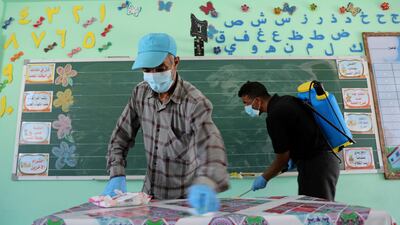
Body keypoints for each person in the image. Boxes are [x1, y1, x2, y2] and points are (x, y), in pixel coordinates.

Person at [102, 33, 229, 214]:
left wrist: (208, 182)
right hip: (149, 197)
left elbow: (211, 146)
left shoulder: (194, 102)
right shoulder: (140, 94)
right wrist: (116, 173)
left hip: (185, 199)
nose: (153, 76)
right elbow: (120, 137)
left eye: (160, 68)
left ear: (176, 62)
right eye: (147, 69)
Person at [238, 81, 340, 201]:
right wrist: (294, 157)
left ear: (258, 100)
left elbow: (282, 158)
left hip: (316, 166)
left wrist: (264, 178)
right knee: (313, 209)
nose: (246, 108)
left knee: (317, 214)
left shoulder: (275, 115)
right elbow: (302, 133)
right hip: (324, 163)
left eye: (246, 103)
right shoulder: (287, 100)